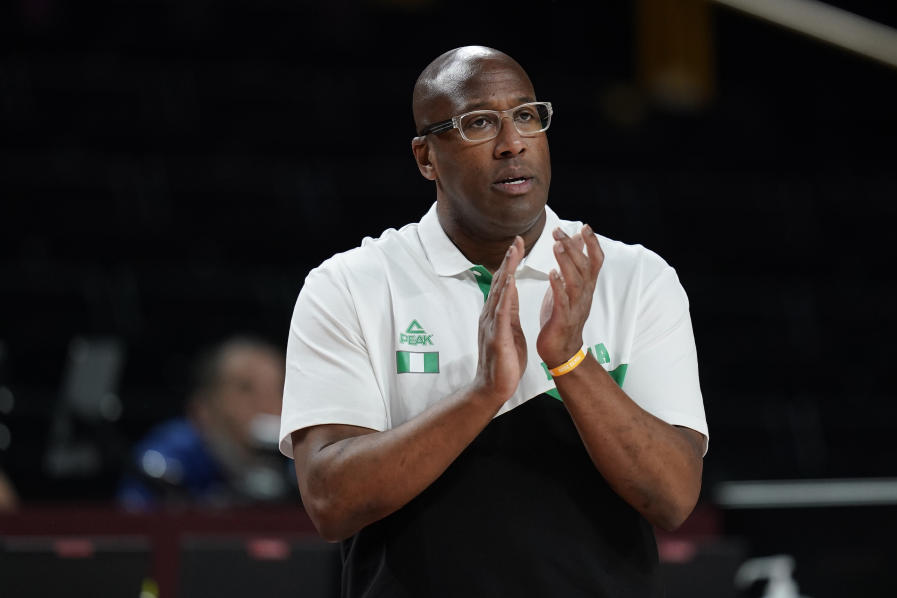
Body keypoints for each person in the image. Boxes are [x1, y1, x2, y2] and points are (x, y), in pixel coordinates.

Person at [280, 46, 709, 597]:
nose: (513, 143)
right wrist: (483, 394)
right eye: (478, 123)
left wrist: (570, 360)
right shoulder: (349, 285)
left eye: (527, 115)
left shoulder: (636, 277)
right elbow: (330, 504)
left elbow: (673, 498)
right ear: (425, 158)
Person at [119, 337, 293, 508]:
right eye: (245, 389)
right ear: (203, 406)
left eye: (278, 389)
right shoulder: (168, 460)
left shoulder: (298, 461)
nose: (267, 404)